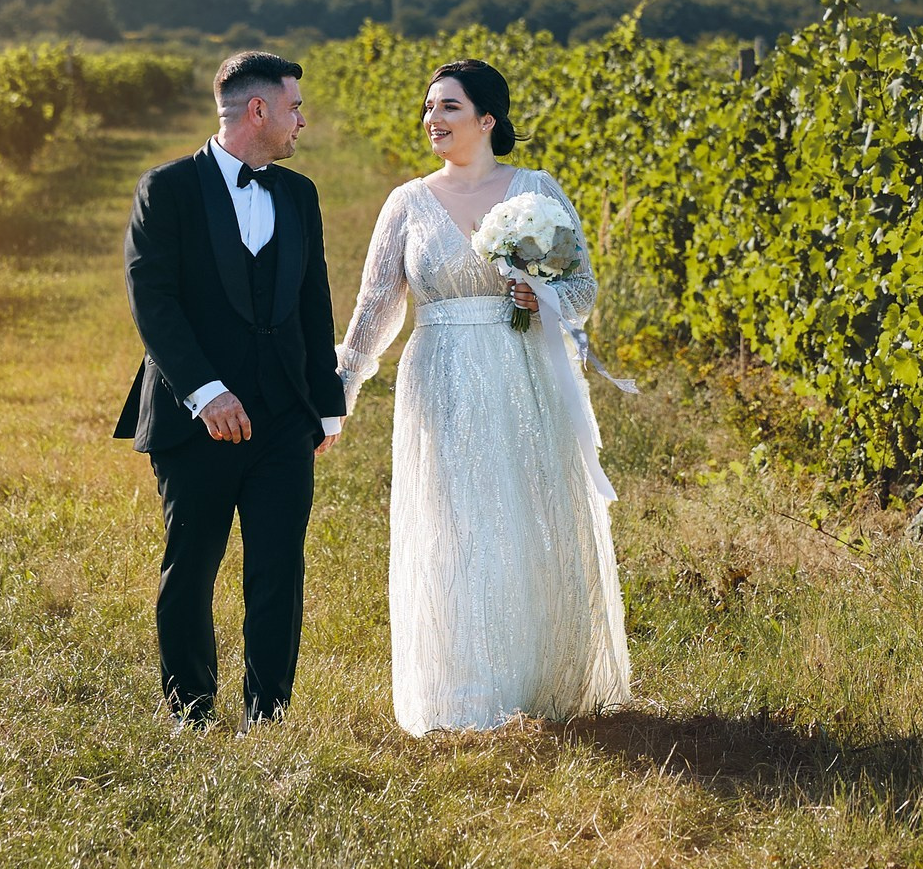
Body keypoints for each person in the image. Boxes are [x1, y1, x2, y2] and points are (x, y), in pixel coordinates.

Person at [335, 58, 631, 735]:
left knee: (521, 515)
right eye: (428, 108)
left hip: (520, 372)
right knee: (452, 520)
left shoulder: (535, 189)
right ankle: (461, 691)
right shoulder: (407, 201)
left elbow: (581, 288)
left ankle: (537, 682)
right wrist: (342, 389)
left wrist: (542, 295)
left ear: (487, 119)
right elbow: (375, 306)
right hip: (438, 375)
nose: (432, 120)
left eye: (448, 108)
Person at [115, 52, 346, 727]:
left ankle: (267, 714)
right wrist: (207, 391)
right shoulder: (167, 188)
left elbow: (313, 299)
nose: (302, 119)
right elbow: (153, 303)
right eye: (295, 107)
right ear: (259, 110)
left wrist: (325, 404)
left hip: (282, 418)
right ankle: (190, 710)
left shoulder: (299, 194)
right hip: (196, 422)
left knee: (279, 568)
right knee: (191, 568)